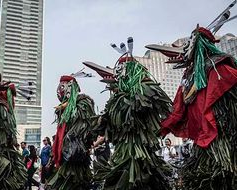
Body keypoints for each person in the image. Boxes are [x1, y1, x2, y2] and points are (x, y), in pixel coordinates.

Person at [145, 4, 237, 188]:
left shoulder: (220, 69)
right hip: (200, 140)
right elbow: (178, 109)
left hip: (221, 139)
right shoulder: (188, 77)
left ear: (198, 45)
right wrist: (161, 127)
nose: (184, 48)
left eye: (188, 44)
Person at [83, 37, 172, 189]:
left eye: (119, 72)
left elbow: (149, 109)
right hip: (122, 152)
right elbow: (108, 128)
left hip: (139, 151)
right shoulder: (117, 101)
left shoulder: (144, 91)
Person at [46, 74, 96, 190]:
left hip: (75, 157)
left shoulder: (83, 103)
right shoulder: (63, 109)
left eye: (63, 87)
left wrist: (69, 106)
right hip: (64, 158)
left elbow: (85, 126)